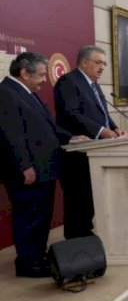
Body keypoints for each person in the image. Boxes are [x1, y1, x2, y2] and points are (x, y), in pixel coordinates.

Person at [0, 53, 82, 277]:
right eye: (41, 75)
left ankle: (38, 256)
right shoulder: (6, 93)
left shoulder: (28, 93)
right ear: (24, 73)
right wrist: (23, 166)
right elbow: (11, 135)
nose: (45, 80)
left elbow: (49, 127)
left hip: (44, 168)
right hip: (28, 171)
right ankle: (28, 263)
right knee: (29, 217)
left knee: (40, 217)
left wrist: (73, 138)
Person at [54, 45, 125, 239]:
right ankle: (77, 239)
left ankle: (85, 233)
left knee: (89, 197)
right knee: (78, 197)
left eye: (104, 63)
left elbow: (102, 113)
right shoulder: (68, 81)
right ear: (85, 62)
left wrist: (114, 127)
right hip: (77, 152)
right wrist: (101, 131)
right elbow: (71, 113)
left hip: (94, 151)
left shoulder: (94, 84)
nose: (102, 67)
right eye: (98, 62)